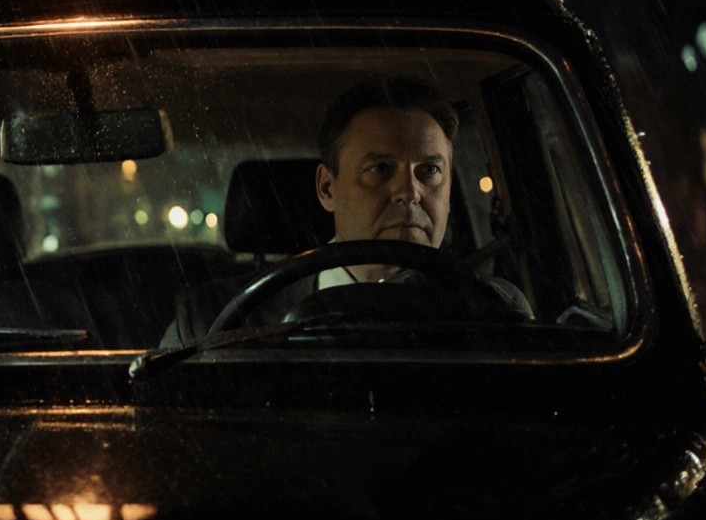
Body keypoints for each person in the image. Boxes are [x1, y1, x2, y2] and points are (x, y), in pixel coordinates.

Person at [160, 77, 531, 346]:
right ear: (327, 188)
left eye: (429, 171)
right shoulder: (213, 320)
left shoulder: (493, 311)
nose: (409, 192)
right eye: (380, 169)